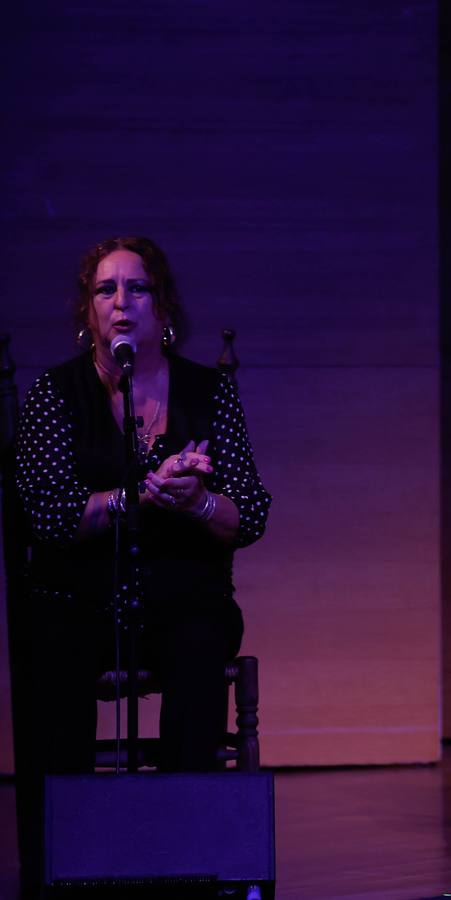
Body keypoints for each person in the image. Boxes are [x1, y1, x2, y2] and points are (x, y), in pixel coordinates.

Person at [9, 236, 271, 892]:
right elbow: (50, 517)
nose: (121, 302)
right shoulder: (55, 394)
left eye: (138, 288)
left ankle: (186, 865)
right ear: (88, 311)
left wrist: (196, 500)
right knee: (56, 657)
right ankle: (69, 870)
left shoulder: (208, 392)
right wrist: (137, 497)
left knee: (200, 646)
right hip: (80, 600)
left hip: (183, 600)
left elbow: (250, 516)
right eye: (106, 289)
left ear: (164, 307)